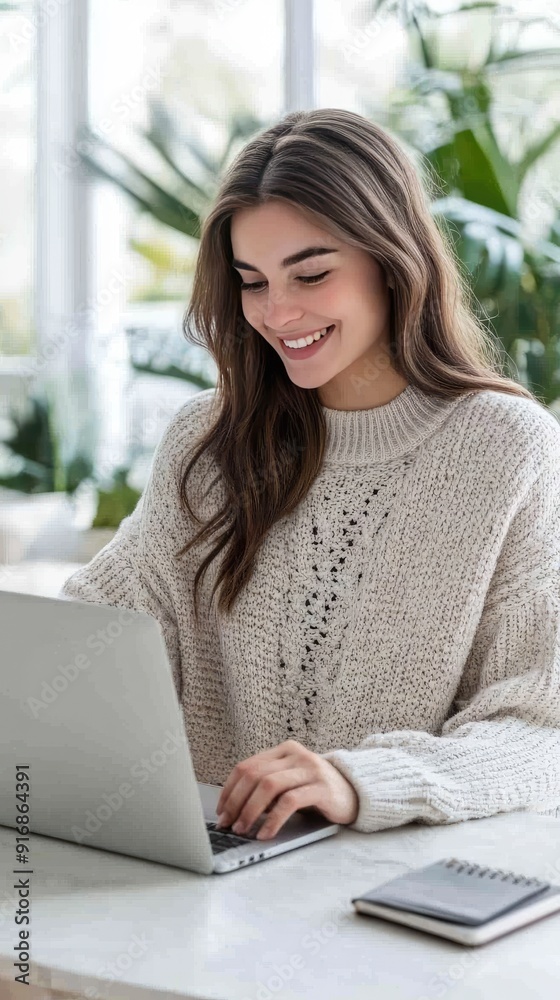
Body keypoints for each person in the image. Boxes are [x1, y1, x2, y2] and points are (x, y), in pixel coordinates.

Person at [60, 108, 560, 841]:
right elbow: (101, 627)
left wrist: (360, 780)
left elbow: (539, 727)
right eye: (252, 281)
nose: (277, 311)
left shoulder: (509, 449)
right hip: (201, 872)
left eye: (312, 273)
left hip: (384, 889)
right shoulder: (208, 439)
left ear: (393, 263)